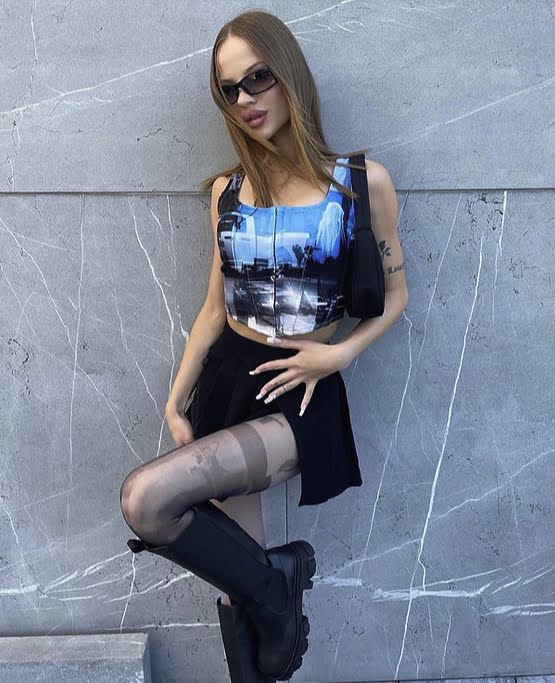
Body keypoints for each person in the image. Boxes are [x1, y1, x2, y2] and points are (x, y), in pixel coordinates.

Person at [119, 9, 408, 682]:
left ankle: (279, 582)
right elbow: (212, 309)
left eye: (258, 78)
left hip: (301, 388)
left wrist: (340, 354)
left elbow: (397, 295)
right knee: (242, 603)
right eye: (230, 89)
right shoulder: (228, 192)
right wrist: (176, 396)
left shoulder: (360, 183)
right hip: (229, 380)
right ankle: (270, 591)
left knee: (147, 501)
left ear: (289, 75)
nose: (246, 98)